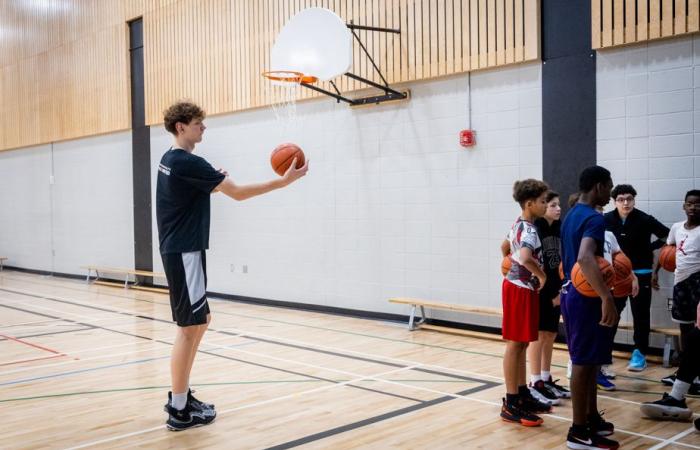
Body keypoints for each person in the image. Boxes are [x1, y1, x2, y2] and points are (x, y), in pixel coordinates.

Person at [157, 101, 308, 430]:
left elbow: (191, 192)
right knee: (188, 329)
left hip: (182, 250)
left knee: (202, 319)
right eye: (199, 123)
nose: (204, 128)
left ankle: (182, 397)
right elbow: (237, 193)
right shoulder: (186, 161)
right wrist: (284, 182)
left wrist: (212, 181)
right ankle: (179, 409)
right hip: (185, 252)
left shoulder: (170, 160)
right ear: (181, 127)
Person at [560, 166, 619, 450]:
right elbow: (584, 258)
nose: (610, 193)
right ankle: (578, 431)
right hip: (586, 298)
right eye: (609, 187)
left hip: (572, 293)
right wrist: (607, 297)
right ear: (598, 186)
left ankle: (591, 417)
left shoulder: (571, 214)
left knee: (591, 360)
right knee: (583, 363)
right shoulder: (595, 218)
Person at [499, 179, 552, 427]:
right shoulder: (529, 229)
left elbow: (505, 246)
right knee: (515, 344)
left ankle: (521, 394)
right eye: (543, 201)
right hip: (519, 289)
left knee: (520, 344)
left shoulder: (519, 224)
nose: (545, 205)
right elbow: (524, 256)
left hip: (519, 287)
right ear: (530, 203)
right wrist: (541, 275)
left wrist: (510, 265)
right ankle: (511, 403)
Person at [644, 191, 700, 418]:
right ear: (683, 206)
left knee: (695, 335)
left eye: (698, 204)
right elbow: (667, 253)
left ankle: (688, 379)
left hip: (697, 280)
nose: (694, 208)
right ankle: (685, 377)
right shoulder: (676, 228)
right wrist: (655, 273)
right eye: (690, 204)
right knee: (687, 330)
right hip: (680, 282)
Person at [604, 184, 669, 372]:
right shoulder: (605, 219)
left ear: (634, 200)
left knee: (641, 316)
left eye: (629, 199)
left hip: (641, 274)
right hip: (616, 276)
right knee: (612, 314)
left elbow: (666, 235)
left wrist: (650, 248)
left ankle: (639, 354)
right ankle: (605, 352)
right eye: (621, 199)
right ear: (614, 201)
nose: (626, 203)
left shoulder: (644, 219)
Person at [529, 191, 570, 404]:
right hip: (540, 287)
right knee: (538, 335)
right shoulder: (536, 228)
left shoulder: (559, 227)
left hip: (556, 286)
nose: (558, 208)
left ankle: (545, 378)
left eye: (558, 204)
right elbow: (508, 248)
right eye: (553, 205)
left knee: (550, 335)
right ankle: (535, 382)